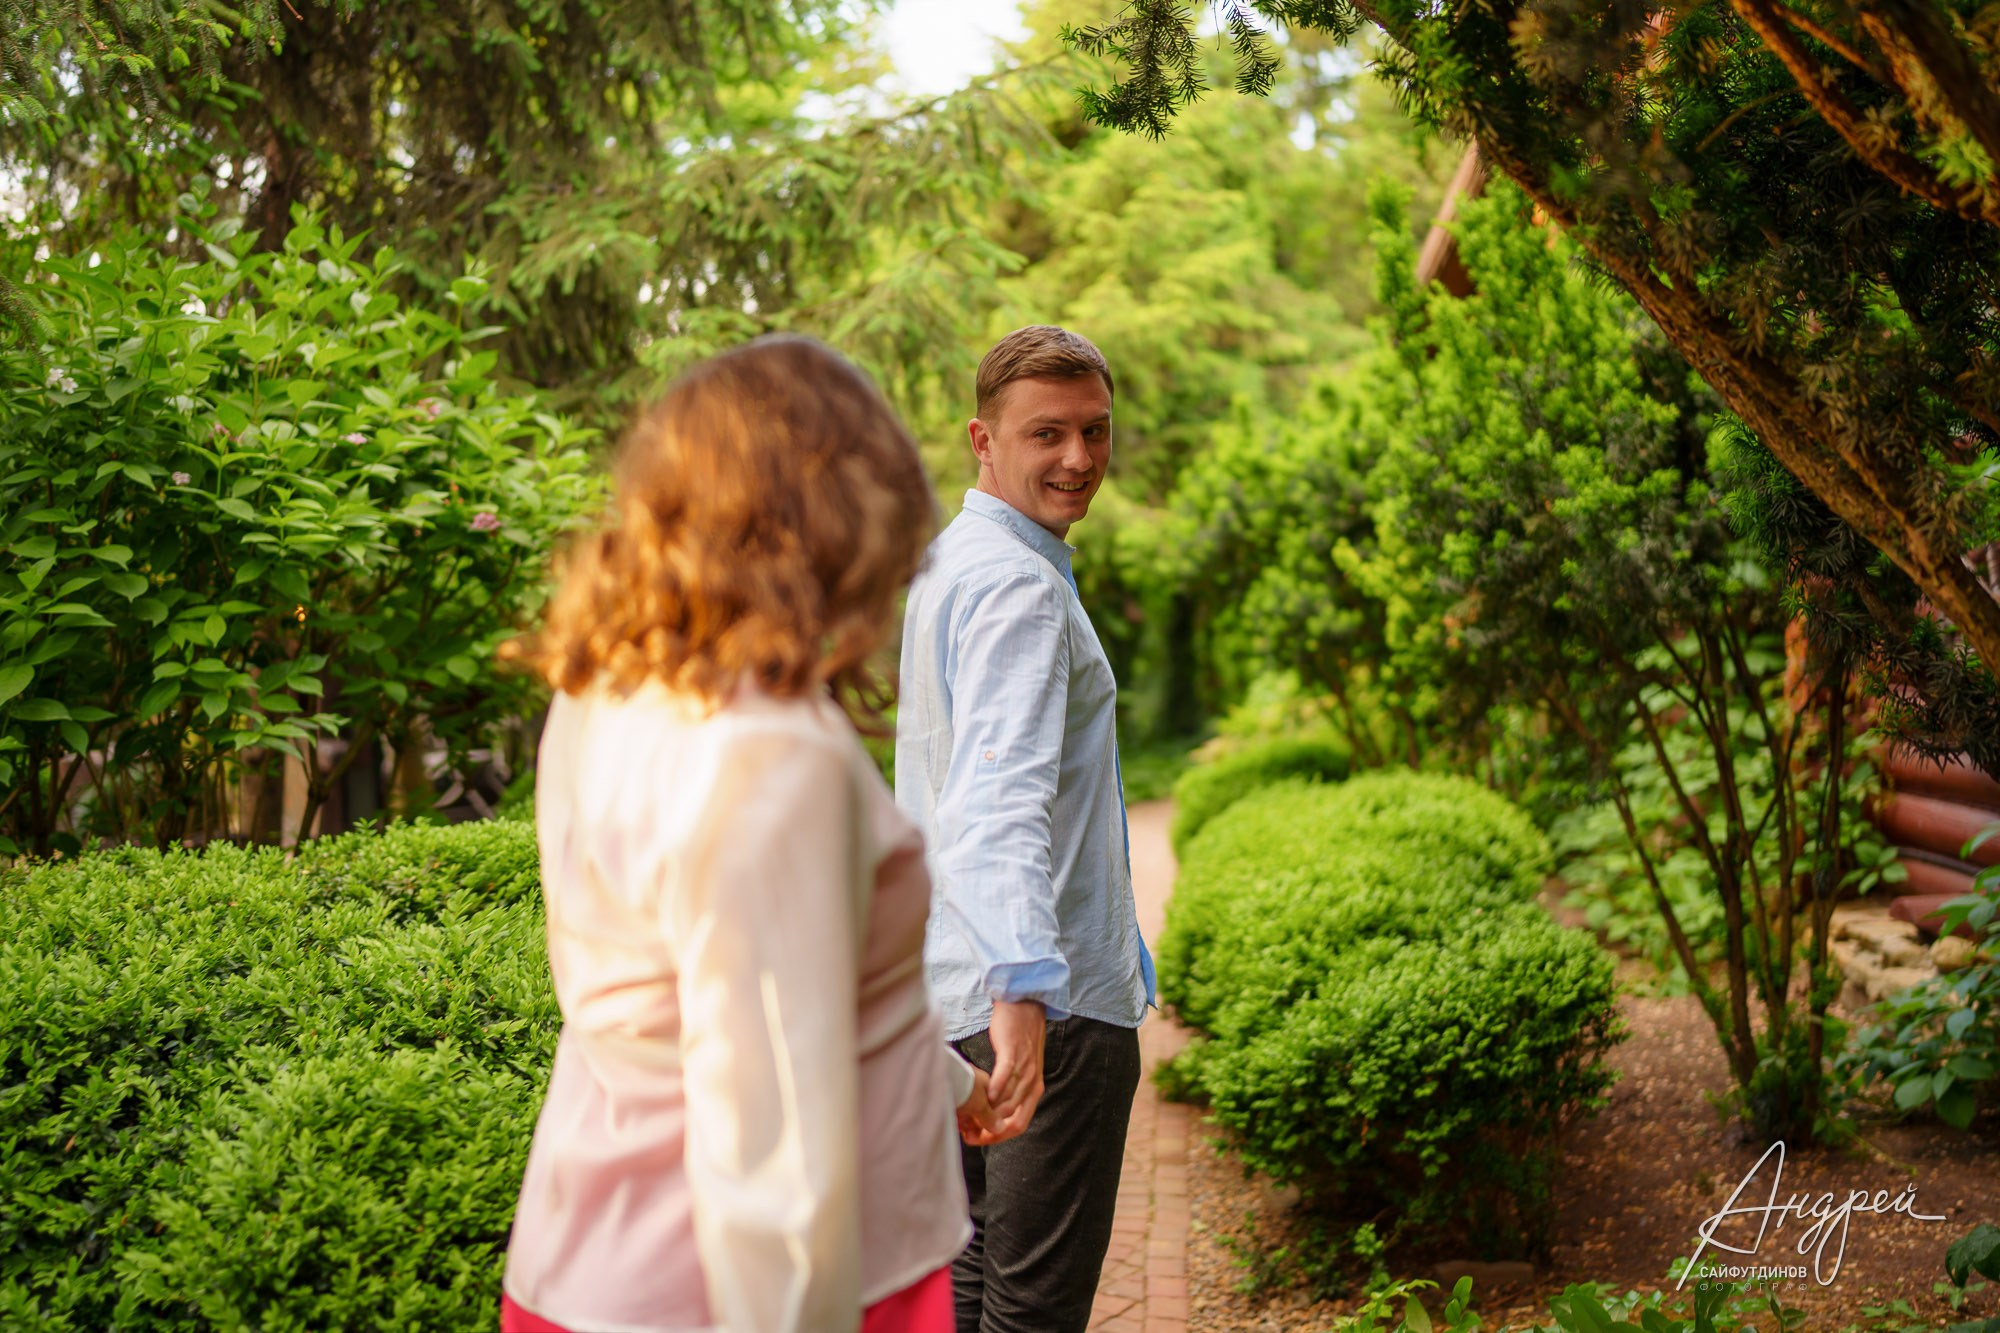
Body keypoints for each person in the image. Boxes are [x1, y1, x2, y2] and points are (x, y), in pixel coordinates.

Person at [498, 336, 1011, 1333]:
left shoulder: (607, 686)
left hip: (594, 1250)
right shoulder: (771, 757)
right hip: (767, 1286)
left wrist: (946, 1078)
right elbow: (769, 1150)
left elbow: (725, 988)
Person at [895, 325, 1155, 1333]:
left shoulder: (954, 562)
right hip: (1045, 1003)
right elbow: (997, 804)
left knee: (968, 1291)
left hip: (953, 993)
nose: (1079, 458)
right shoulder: (1018, 586)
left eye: (1095, 430)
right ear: (983, 439)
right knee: (1030, 1313)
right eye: (1046, 432)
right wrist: (1025, 991)